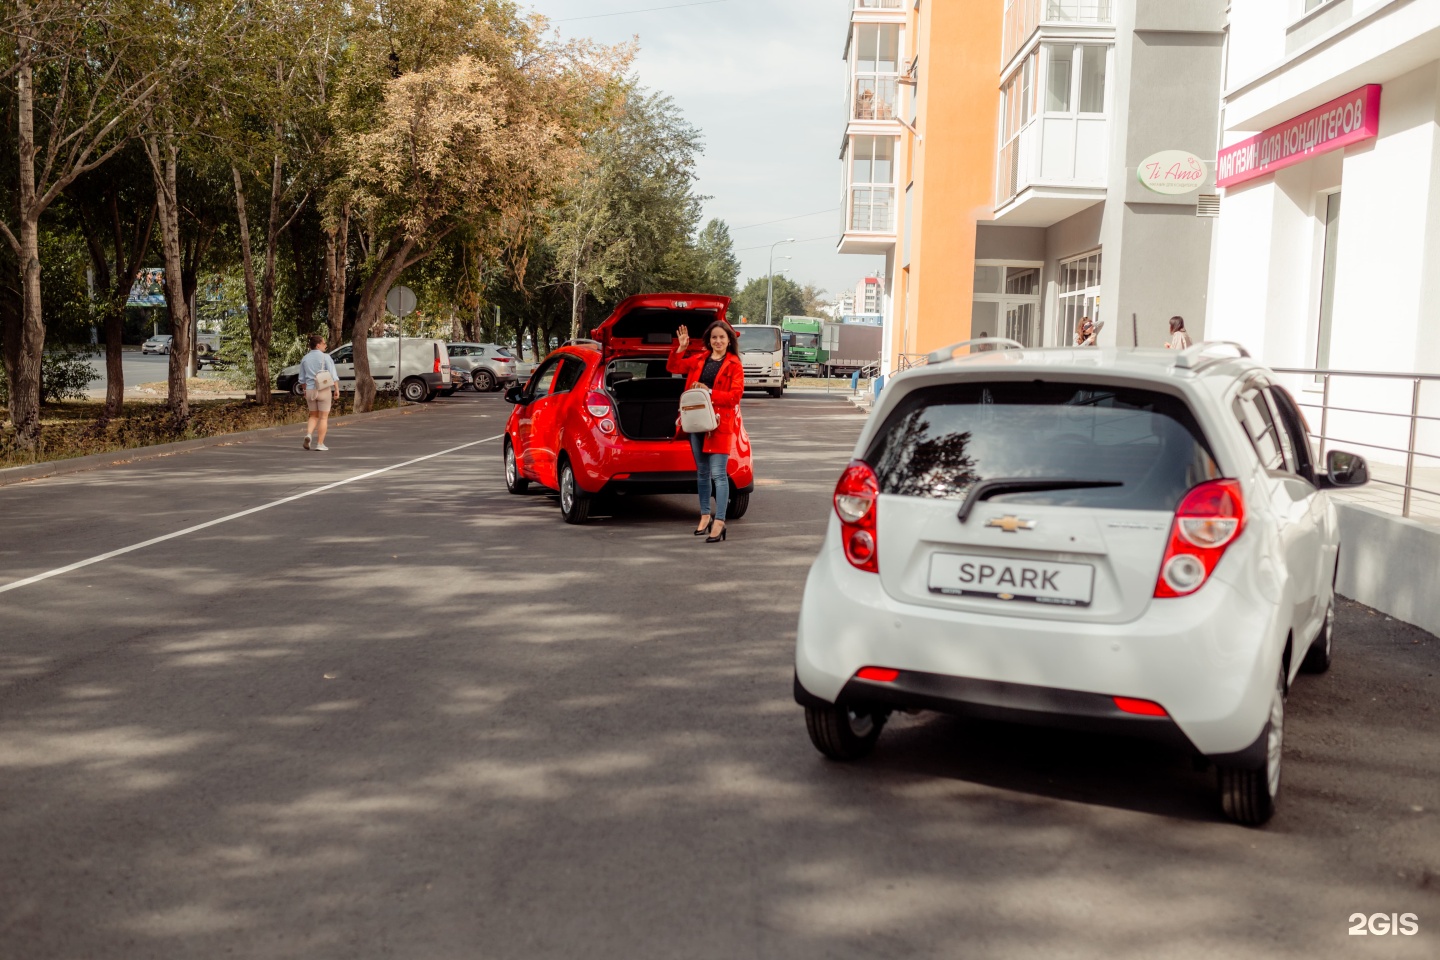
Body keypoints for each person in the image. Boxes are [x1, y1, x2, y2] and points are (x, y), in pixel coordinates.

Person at [669, 320, 745, 543]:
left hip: (720, 424)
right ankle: (704, 516)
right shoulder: (700, 359)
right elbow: (674, 367)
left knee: (719, 474)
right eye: (714, 337)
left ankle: (719, 521)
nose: (718, 341)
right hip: (696, 422)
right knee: (702, 472)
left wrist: (709, 391)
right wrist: (681, 348)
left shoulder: (734, 364)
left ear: (729, 340)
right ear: (708, 341)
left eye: (722, 337)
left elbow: (734, 397)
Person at [299, 333, 340, 451]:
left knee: (313, 415)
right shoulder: (325, 357)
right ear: (317, 345)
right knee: (323, 418)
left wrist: (305, 390)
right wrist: (336, 389)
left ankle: (308, 434)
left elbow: (302, 378)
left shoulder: (305, 358)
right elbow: (333, 375)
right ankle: (320, 444)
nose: (325, 345)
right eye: (323, 343)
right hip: (323, 389)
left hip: (310, 390)